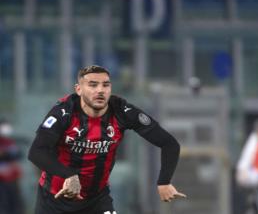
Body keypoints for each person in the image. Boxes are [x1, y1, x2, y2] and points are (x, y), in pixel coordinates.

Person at [28, 65, 186, 214]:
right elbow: (36, 152)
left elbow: (169, 144)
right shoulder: (64, 112)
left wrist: (164, 181)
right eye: (93, 85)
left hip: (96, 200)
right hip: (54, 200)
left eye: (105, 85)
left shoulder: (122, 111)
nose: (100, 90)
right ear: (79, 89)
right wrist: (69, 175)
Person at [0, 118, 23, 214]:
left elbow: (18, 154)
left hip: (13, 178)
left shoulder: (10, 142)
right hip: (1, 180)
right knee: (4, 204)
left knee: (16, 204)